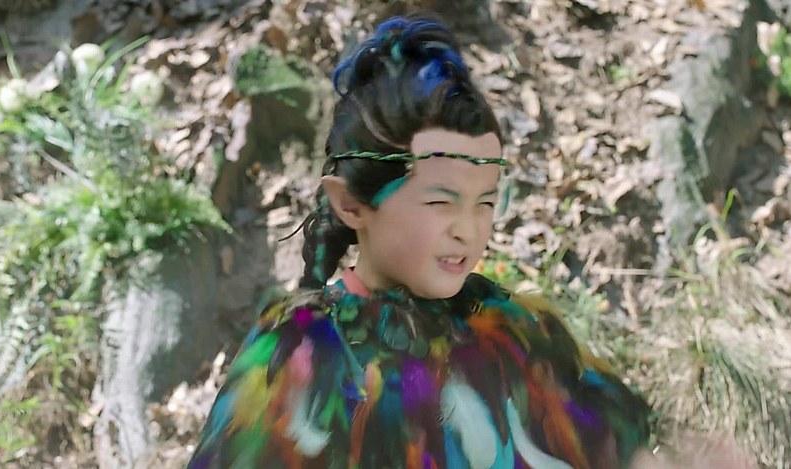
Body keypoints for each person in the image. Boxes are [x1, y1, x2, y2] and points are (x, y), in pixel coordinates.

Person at [188, 14, 653, 469]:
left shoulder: (515, 335)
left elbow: (626, 452)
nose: (467, 229)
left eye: (485, 202)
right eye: (440, 202)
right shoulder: (299, 353)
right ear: (351, 204)